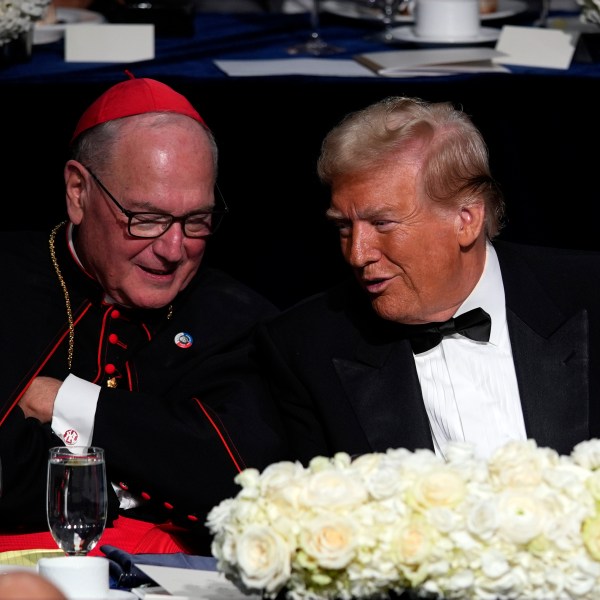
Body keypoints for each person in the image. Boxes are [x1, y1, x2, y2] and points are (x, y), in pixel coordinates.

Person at [0, 75, 287, 555]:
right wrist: (132, 480)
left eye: (196, 220)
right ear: (78, 192)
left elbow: (243, 480)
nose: (173, 250)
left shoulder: (241, 317)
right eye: (146, 219)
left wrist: (62, 400)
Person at [253, 95, 600, 465]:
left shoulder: (589, 293)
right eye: (343, 226)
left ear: (466, 219)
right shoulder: (307, 349)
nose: (357, 254)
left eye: (382, 223)